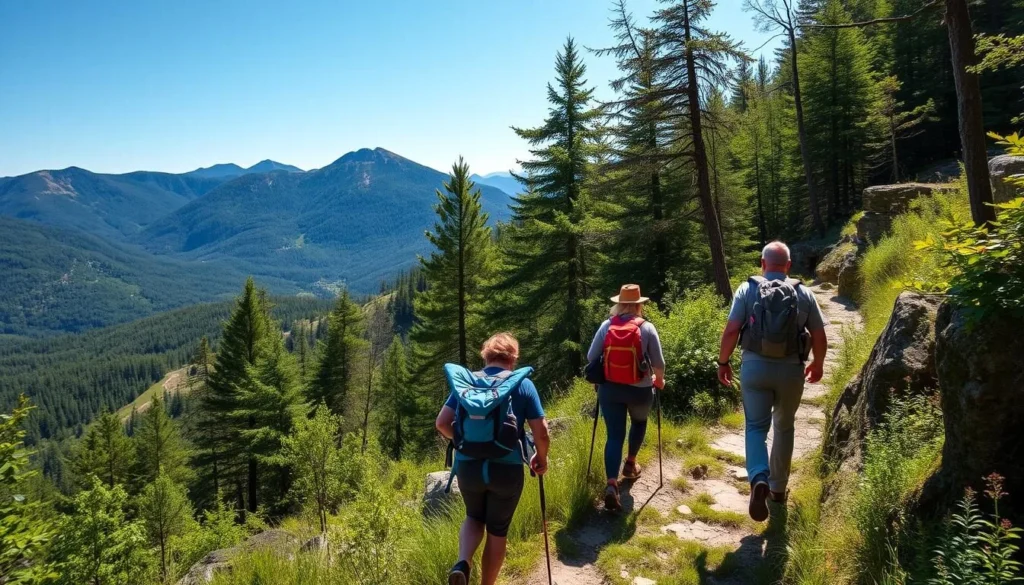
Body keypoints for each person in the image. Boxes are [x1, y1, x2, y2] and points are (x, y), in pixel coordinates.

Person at [717, 241, 827, 522]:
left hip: (755, 368)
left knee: (755, 426)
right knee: (784, 426)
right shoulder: (803, 292)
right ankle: (778, 490)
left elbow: (731, 330)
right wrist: (818, 363)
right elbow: (818, 335)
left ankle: (759, 478)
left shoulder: (747, 289)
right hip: (791, 370)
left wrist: (723, 362)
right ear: (788, 266)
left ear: (762, 263)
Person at [436, 333, 550, 585]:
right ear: (513, 359)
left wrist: (464, 442)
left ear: (486, 356)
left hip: (468, 467)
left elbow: (442, 423)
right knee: (497, 531)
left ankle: (463, 561)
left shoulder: (466, 384)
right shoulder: (522, 384)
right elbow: (541, 431)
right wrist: (541, 458)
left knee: (473, 516)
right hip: (506, 470)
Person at [586, 284, 666, 511]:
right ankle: (630, 464)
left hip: (610, 390)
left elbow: (591, 356)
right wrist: (659, 380)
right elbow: (659, 363)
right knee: (639, 422)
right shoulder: (647, 327)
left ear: (619, 304)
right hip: (639, 390)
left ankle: (611, 484)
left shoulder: (606, 325)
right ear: (639, 305)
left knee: (614, 436)